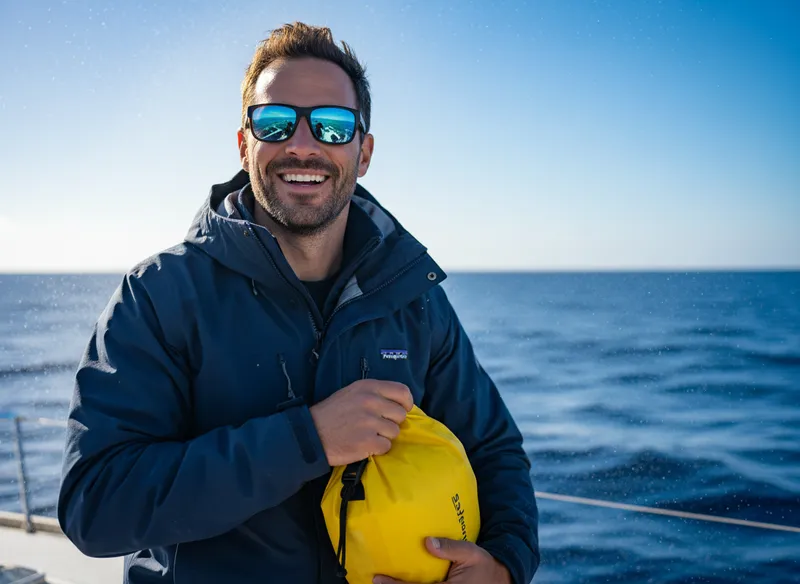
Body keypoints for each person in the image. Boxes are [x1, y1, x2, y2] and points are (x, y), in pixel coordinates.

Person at [57, 22, 540, 584]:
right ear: (245, 144)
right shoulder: (161, 295)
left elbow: (494, 450)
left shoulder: (415, 301)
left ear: (363, 153)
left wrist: (504, 562)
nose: (303, 144)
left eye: (333, 126)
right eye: (276, 122)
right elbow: (96, 503)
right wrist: (304, 440)